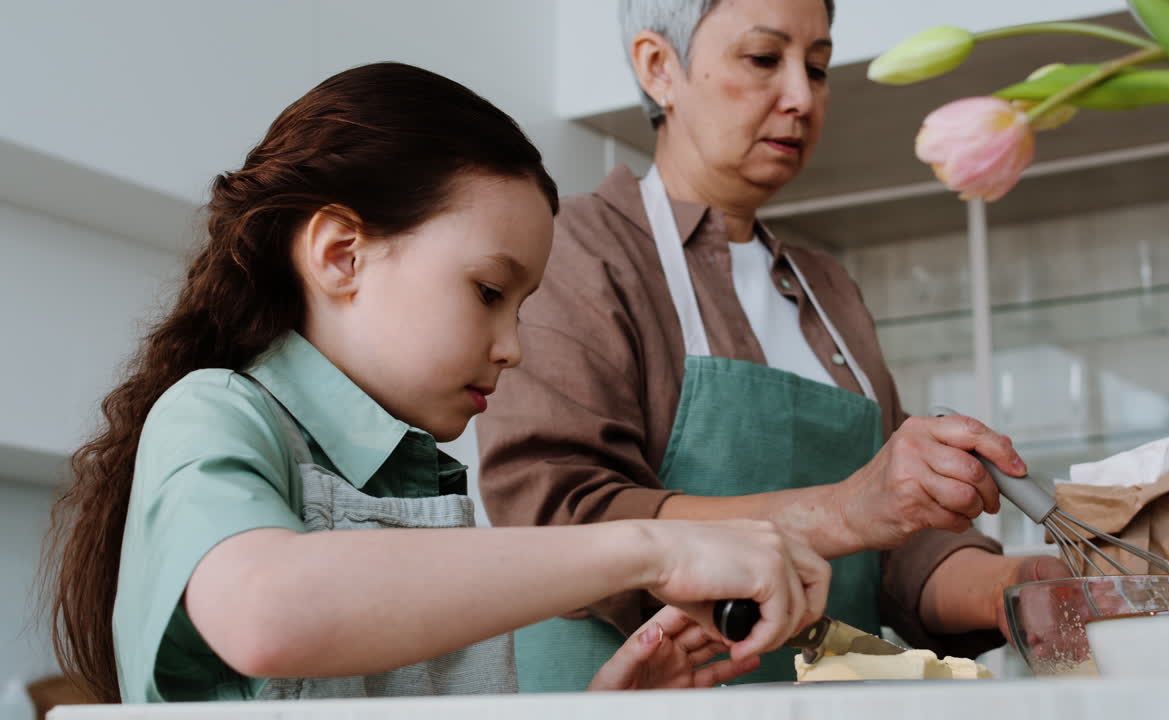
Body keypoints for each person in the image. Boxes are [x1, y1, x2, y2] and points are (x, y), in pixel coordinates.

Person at [42, 62, 832, 704]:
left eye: (521, 310)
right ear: (341, 254)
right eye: (489, 293)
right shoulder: (215, 414)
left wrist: (602, 706)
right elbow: (266, 611)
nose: (513, 348)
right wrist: (651, 547)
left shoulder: (429, 485)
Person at [475, 0, 1071, 691]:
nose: (801, 96)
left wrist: (1014, 586)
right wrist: (845, 509)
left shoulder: (829, 292)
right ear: (658, 67)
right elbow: (563, 518)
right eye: (764, 59)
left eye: (816, 68)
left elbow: (893, 557)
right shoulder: (577, 250)